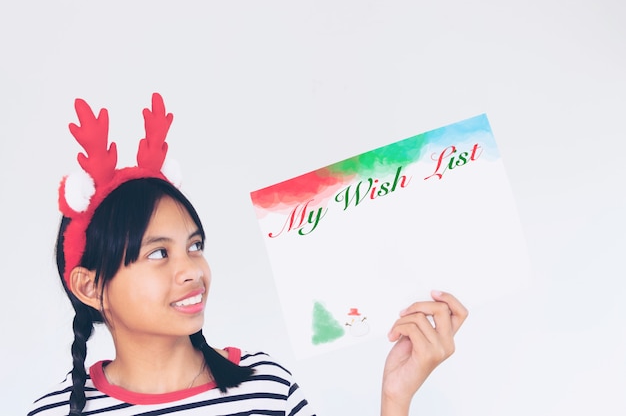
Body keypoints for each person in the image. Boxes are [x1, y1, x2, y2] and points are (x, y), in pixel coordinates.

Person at [27, 93, 468, 416]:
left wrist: (396, 398)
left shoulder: (266, 388)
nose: (192, 271)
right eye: (158, 254)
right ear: (89, 286)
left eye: (195, 246)